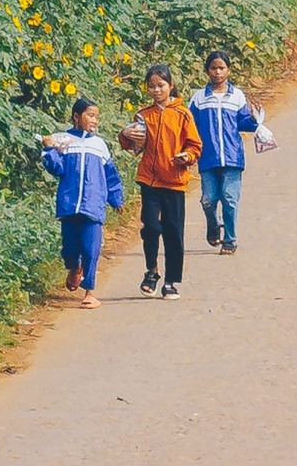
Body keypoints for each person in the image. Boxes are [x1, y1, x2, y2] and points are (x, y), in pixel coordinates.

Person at [120, 64, 202, 299]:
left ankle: (171, 281)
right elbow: (130, 143)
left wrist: (186, 157)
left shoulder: (183, 114)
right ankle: (151, 271)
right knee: (151, 227)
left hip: (174, 181)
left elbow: (195, 145)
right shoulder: (143, 115)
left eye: (161, 85)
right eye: (152, 86)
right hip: (150, 181)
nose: (156, 90)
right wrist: (125, 135)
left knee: (174, 232)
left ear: (171, 85)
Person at [41, 96, 122, 310]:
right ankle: (74, 267)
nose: (95, 121)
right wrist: (49, 150)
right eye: (91, 116)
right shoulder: (64, 141)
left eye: (97, 117)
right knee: (69, 249)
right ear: (77, 117)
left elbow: (110, 175)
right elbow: (57, 169)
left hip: (93, 206)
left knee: (90, 249)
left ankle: (89, 291)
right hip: (68, 205)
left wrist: (116, 197)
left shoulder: (99, 145)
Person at [188, 50, 272, 255]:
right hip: (207, 157)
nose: (217, 72)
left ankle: (230, 240)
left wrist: (255, 120)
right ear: (207, 71)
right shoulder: (199, 98)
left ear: (228, 71)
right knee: (208, 199)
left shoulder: (237, 96)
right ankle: (213, 225)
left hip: (233, 156)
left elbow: (242, 122)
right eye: (213, 68)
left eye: (221, 68)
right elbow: (189, 126)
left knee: (229, 198)